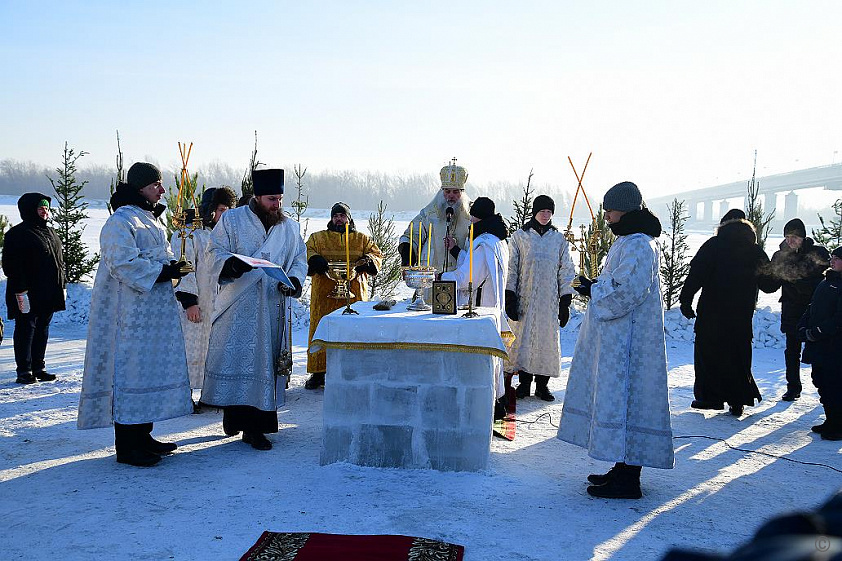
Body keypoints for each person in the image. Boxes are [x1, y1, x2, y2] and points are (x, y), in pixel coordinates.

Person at [558, 181, 673, 499]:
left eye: (609, 210)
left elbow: (627, 292)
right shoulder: (631, 240)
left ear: (625, 210)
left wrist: (593, 289)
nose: (606, 216)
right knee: (623, 403)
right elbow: (620, 281)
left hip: (631, 345)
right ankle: (622, 468)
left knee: (631, 401)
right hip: (622, 342)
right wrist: (595, 284)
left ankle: (629, 478)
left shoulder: (638, 243)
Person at [77, 162, 192, 467]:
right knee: (129, 372)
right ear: (140, 187)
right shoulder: (120, 221)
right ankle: (127, 446)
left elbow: (162, 257)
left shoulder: (149, 219)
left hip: (151, 315)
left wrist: (175, 267)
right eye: (157, 184)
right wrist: (164, 270)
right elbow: (122, 263)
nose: (163, 190)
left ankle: (143, 435)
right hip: (127, 315)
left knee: (146, 371)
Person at [201, 168, 307, 451]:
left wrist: (294, 279)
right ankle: (234, 417)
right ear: (258, 197)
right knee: (237, 360)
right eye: (272, 199)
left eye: (280, 199)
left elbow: (299, 257)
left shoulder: (289, 226)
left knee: (263, 364)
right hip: (239, 303)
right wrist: (231, 265)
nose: (277, 205)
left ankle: (256, 428)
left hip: (272, 304)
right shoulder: (233, 220)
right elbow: (214, 252)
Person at [679, 209, 777, 416]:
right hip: (740, 317)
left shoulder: (713, 246)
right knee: (737, 356)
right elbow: (768, 285)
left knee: (709, 355)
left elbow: (696, 274)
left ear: (723, 226)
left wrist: (686, 300)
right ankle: (737, 400)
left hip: (711, 315)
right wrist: (783, 269)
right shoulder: (755, 251)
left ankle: (710, 398)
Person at [440, 196, 511, 415]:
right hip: (492, 304)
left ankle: (484, 404)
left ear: (476, 216)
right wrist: (455, 250)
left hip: (479, 307)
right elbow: (473, 263)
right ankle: (495, 399)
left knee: (480, 357)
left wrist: (439, 276)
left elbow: (467, 279)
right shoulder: (496, 239)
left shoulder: (483, 244)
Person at [505, 195, 576, 401]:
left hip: (549, 301)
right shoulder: (520, 237)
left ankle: (542, 386)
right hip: (525, 298)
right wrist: (510, 296)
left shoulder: (558, 239)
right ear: (535, 212)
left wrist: (565, 301)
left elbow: (567, 270)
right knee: (525, 339)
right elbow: (512, 269)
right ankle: (524, 384)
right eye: (542, 211)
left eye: (549, 212)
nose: (545, 215)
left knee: (546, 342)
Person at [304, 202, 382, 389]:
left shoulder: (362, 239)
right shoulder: (318, 238)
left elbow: (377, 255)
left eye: (342, 215)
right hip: (324, 295)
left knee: (354, 330)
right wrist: (315, 260)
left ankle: (355, 369)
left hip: (354, 296)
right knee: (322, 328)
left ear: (349, 217)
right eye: (335, 216)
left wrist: (366, 263)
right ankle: (318, 372)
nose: (339, 219)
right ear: (331, 218)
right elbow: (307, 251)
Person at [170, 186, 238, 395]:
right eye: (220, 209)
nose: (224, 215)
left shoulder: (220, 235)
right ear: (209, 209)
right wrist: (190, 301)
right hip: (195, 305)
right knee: (190, 351)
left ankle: (210, 394)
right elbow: (184, 268)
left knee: (212, 352)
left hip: (217, 305)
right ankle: (184, 395)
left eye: (228, 210)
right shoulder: (188, 234)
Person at [2, 193, 66, 384]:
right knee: (26, 329)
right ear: (29, 210)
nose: (45, 212)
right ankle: (24, 370)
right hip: (27, 292)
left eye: (46, 208)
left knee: (42, 329)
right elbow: (11, 266)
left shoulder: (51, 233)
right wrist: (21, 292)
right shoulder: (16, 234)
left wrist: (61, 285)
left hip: (49, 292)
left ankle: (39, 367)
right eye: (40, 208)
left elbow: (58, 262)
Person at [766, 218, 829, 401]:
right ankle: (793, 387)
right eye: (787, 237)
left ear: (803, 237)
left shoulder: (817, 253)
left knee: (819, 352)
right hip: (791, 309)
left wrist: (795, 280)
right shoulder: (780, 256)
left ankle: (824, 388)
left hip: (813, 310)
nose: (790, 240)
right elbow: (771, 284)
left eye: (794, 237)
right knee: (791, 350)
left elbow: (821, 279)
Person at [797, 246, 842, 441]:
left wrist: (817, 332)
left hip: (835, 346)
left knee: (834, 384)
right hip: (820, 345)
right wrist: (803, 324)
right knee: (820, 379)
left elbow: (838, 319)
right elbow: (812, 306)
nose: (832, 261)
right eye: (832, 257)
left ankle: (838, 425)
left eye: (837, 259)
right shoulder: (827, 281)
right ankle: (831, 419)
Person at [399, 160, 471, 276]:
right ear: (442, 192)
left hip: (459, 275)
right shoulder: (429, 214)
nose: (451, 196)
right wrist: (408, 258)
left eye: (455, 192)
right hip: (432, 273)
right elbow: (412, 235)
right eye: (447, 191)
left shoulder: (471, 216)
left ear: (462, 193)